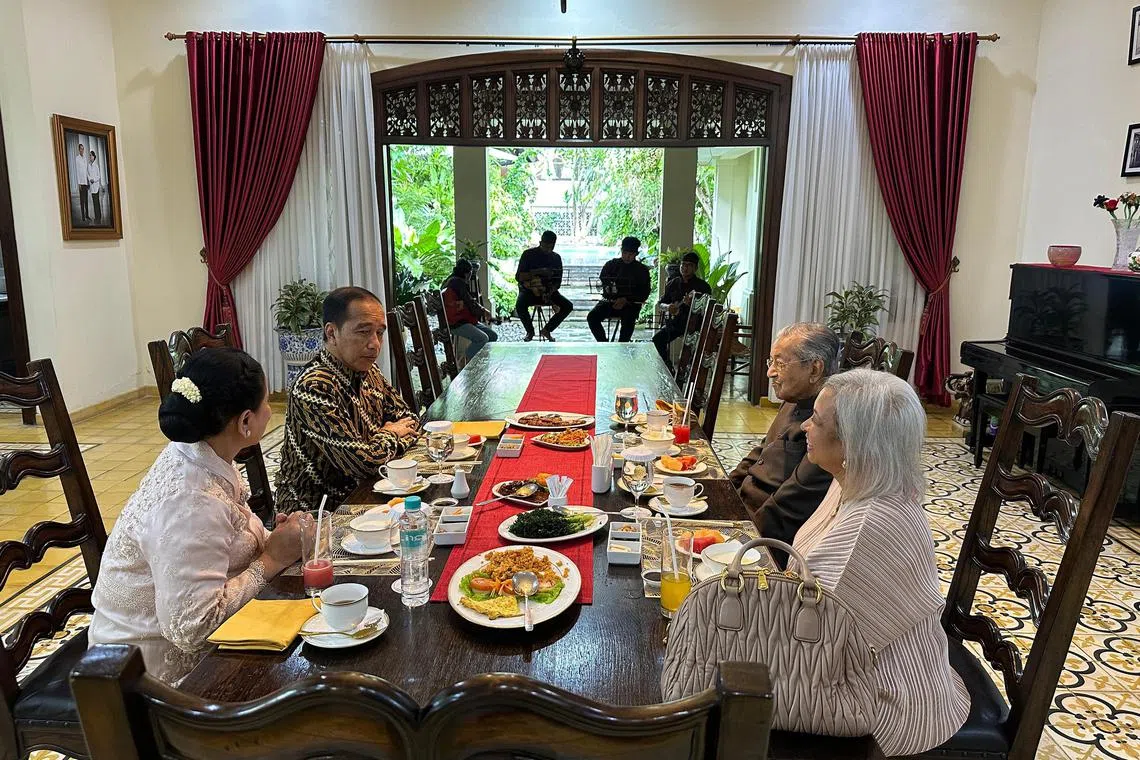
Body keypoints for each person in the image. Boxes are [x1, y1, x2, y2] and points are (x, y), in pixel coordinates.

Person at [89, 348, 308, 684]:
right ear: (246, 422)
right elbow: (193, 627)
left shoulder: (201, 451)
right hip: (138, 678)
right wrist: (272, 559)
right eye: (266, 403)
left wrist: (269, 539)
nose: (270, 411)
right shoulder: (189, 501)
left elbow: (223, 536)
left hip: (168, 648)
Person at [793, 369, 970, 755]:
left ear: (852, 443)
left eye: (817, 421)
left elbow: (808, 647)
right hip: (861, 664)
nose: (805, 425)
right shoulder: (858, 479)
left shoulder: (870, 524)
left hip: (887, 701)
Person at [275, 286, 420, 512]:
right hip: (316, 514)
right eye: (363, 332)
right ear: (332, 333)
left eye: (380, 332)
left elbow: (410, 421)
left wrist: (379, 445)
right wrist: (391, 433)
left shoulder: (369, 370)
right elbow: (363, 463)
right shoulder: (313, 387)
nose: (375, 344)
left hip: (371, 492)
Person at [729, 322, 838, 567]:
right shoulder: (795, 397)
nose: (770, 372)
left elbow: (786, 509)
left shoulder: (827, 422)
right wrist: (723, 491)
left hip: (764, 543)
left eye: (780, 363)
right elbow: (761, 452)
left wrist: (734, 538)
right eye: (771, 362)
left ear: (815, 368)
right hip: (742, 512)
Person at [652, 251, 711, 370]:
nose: (685, 268)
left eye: (689, 265)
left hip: (696, 325)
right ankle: (668, 368)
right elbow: (661, 303)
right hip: (677, 323)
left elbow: (707, 309)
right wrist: (668, 307)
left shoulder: (703, 286)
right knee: (657, 339)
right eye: (683, 265)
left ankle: (691, 370)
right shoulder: (673, 283)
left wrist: (692, 305)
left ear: (695, 268)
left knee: (695, 345)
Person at [588, 236, 651, 342]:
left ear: (636, 254)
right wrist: (611, 293)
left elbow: (644, 292)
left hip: (630, 304)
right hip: (610, 302)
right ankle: (603, 343)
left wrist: (626, 299)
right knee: (592, 317)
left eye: (631, 254)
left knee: (628, 321)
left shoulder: (641, 270)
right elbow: (604, 283)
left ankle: (623, 345)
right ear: (621, 251)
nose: (627, 256)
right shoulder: (611, 265)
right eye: (625, 253)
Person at [515, 230, 573, 341]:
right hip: (529, 290)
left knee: (568, 306)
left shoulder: (556, 258)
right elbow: (519, 277)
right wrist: (538, 272)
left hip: (548, 291)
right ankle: (530, 331)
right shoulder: (528, 254)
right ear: (540, 242)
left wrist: (549, 292)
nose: (547, 249)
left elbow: (558, 282)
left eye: (550, 247)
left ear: (553, 246)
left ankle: (547, 329)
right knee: (520, 305)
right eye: (544, 245)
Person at [443, 258, 497, 360]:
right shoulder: (457, 283)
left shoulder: (451, 280)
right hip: (457, 322)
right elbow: (470, 303)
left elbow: (469, 302)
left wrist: (482, 311)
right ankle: (467, 361)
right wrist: (484, 311)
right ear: (467, 273)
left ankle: (481, 360)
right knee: (482, 338)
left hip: (464, 319)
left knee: (492, 336)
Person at [74, 142, 89, 222]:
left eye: (83, 149)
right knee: (82, 200)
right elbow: (77, 171)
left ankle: (87, 215)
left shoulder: (85, 158)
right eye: (81, 149)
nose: (82, 150)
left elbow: (86, 170)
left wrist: (88, 180)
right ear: (78, 150)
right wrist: (79, 183)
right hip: (81, 183)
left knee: (86, 199)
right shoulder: (77, 158)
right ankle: (83, 216)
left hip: (86, 182)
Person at [87, 149, 103, 224]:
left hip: (96, 186)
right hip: (91, 186)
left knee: (97, 201)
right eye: (89, 155)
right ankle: (96, 216)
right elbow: (88, 174)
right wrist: (90, 179)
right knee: (94, 202)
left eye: (91, 155)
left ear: (94, 157)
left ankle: (98, 216)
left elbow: (98, 176)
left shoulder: (96, 166)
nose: (90, 157)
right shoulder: (88, 165)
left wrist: (94, 180)